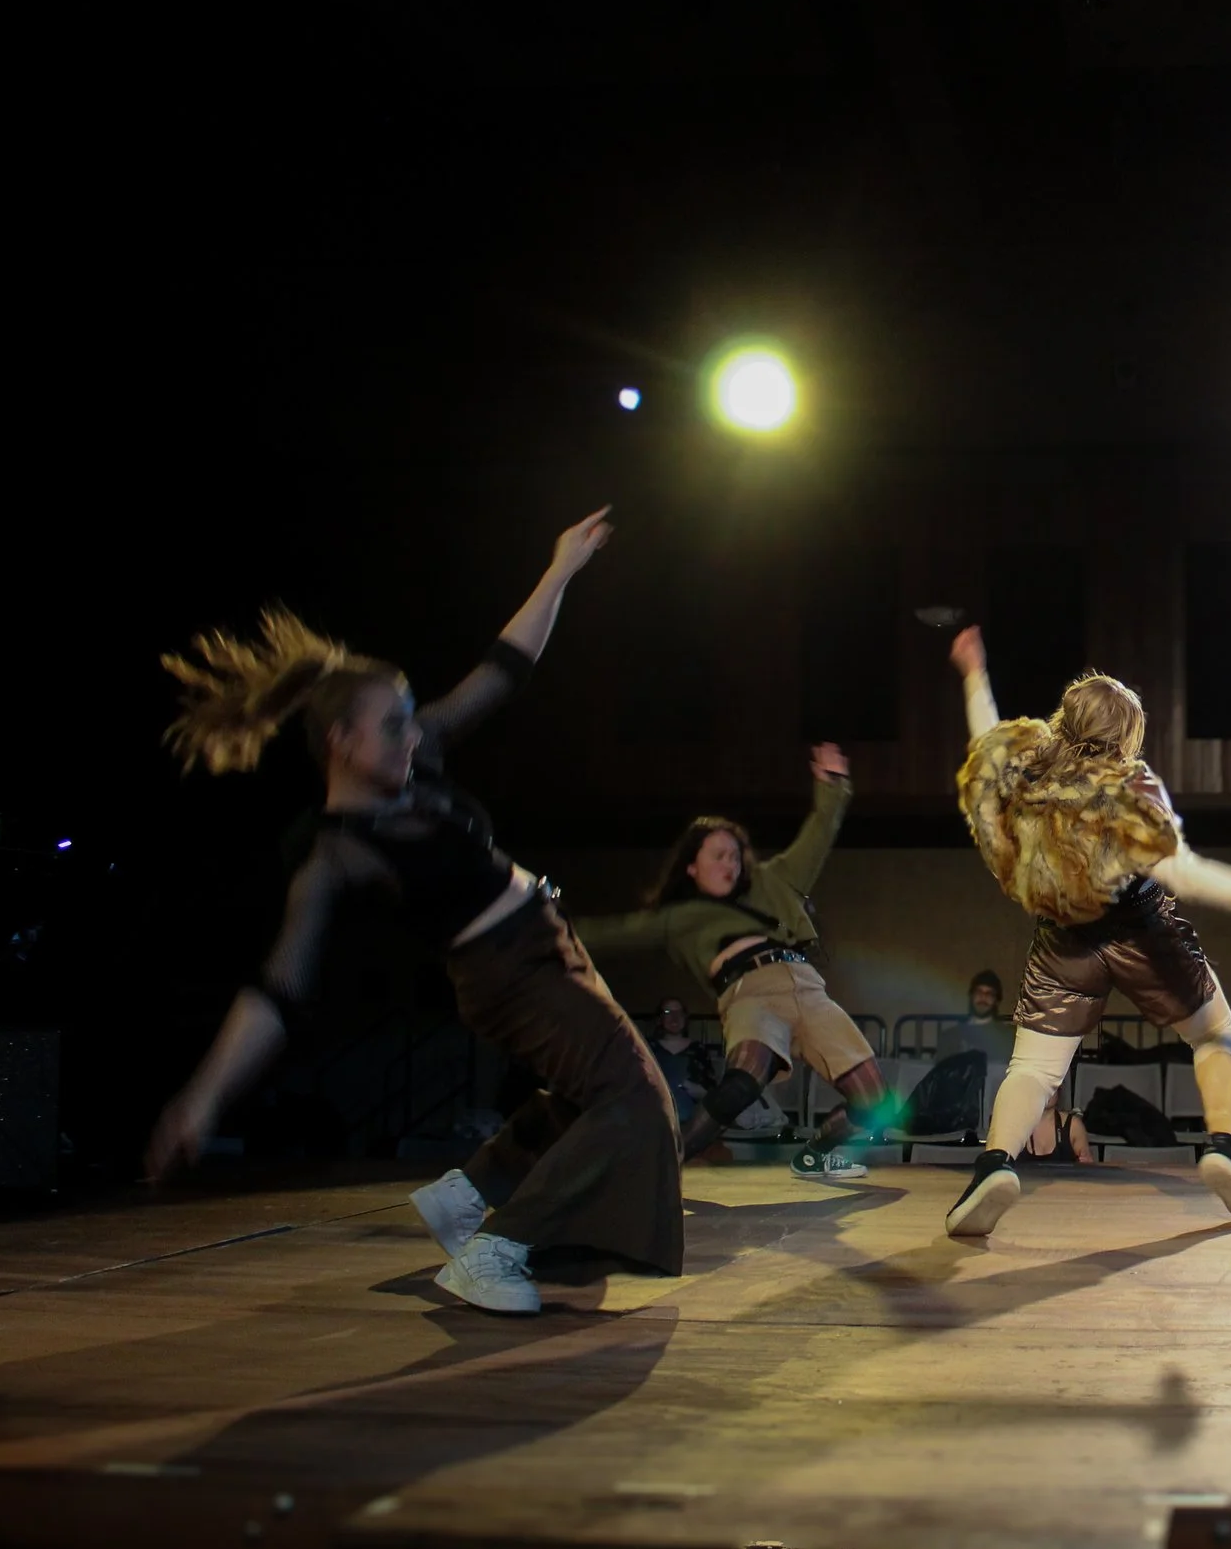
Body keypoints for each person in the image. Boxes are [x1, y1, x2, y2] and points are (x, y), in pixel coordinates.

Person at [148, 509, 680, 1315]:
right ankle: (495, 1248)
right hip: (509, 972)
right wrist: (204, 1095)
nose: (411, 735)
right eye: (390, 726)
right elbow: (277, 989)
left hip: (543, 945)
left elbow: (502, 671)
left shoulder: (415, 754)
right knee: (635, 1100)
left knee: (590, 1093)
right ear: (339, 742)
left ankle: (467, 1195)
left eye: (407, 720)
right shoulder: (335, 851)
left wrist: (560, 568)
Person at [941, 626, 1231, 1237]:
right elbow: (1181, 870)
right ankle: (1225, 1147)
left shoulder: (1022, 767)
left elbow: (982, 736)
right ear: (1125, 735)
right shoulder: (1128, 791)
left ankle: (993, 1163)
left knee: (1035, 1069)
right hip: (1138, 927)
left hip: (1061, 938)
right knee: (1213, 1033)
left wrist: (973, 674)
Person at [571, 747, 887, 1181]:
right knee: (742, 1082)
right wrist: (537, 923)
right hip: (749, 991)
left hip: (807, 987)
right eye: (717, 855)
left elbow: (818, 835)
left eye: (734, 856)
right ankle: (658, 1173)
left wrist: (832, 786)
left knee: (874, 1101)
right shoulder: (677, 918)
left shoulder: (775, 882)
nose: (729, 863)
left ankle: (815, 1154)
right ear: (691, 867)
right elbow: (612, 932)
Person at [645, 998, 728, 1157]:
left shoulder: (699, 1050)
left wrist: (699, 1092)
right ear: (660, 1019)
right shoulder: (649, 1049)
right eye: (668, 1012)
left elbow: (712, 1092)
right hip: (656, 1125)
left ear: (685, 1018)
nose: (674, 1017)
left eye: (679, 1013)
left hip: (691, 1125)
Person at [936, 970, 1014, 1065]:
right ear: (971, 996)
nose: (983, 997)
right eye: (979, 992)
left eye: (989, 994)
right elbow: (939, 1076)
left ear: (996, 1001)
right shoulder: (949, 1037)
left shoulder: (1009, 1037)